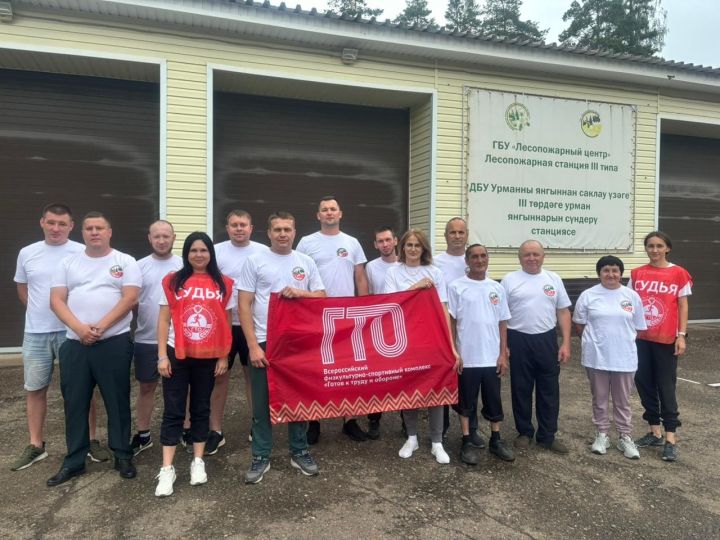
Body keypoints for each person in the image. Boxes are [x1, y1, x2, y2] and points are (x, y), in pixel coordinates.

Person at [12, 203, 111, 471]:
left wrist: (73, 321)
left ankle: (90, 440)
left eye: (62, 224)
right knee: (35, 389)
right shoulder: (27, 253)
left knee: (83, 390)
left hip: (73, 332)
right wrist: (39, 313)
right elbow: (24, 289)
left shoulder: (81, 251)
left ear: (71, 226)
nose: (56, 228)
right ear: (42, 222)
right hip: (36, 333)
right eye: (51, 222)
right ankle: (36, 445)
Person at [47, 212, 141, 486]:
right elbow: (57, 300)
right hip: (75, 344)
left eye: (100, 228)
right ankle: (75, 460)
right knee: (75, 402)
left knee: (117, 401)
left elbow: (130, 298)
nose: (94, 232)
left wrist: (99, 327)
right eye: (89, 228)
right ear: (82, 232)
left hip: (113, 342)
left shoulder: (125, 261)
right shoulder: (68, 262)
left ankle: (122, 454)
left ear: (109, 231)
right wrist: (80, 329)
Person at [238, 212, 326, 484]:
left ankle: (299, 450)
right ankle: (261, 454)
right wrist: (253, 346)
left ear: (295, 231)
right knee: (263, 402)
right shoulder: (255, 261)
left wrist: (301, 292)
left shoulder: (305, 262)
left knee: (297, 398)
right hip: (266, 340)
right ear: (268, 232)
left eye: (287, 229)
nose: (283, 234)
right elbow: (244, 305)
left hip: (297, 341)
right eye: (277, 229)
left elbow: (322, 296)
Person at [154, 232, 234, 497]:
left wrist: (224, 355)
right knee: (174, 410)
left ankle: (197, 461)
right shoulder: (173, 281)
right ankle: (167, 469)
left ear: (211, 253)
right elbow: (164, 320)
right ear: (186, 254)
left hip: (209, 355)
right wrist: (162, 355)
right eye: (193, 250)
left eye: (203, 250)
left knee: (201, 408)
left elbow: (225, 322)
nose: (199, 255)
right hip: (177, 353)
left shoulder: (224, 283)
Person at [384, 229, 461, 464]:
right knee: (410, 388)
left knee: (435, 388)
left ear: (424, 248)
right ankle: (412, 437)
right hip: (405, 338)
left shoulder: (435, 272)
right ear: (402, 248)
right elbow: (389, 304)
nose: (413, 249)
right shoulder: (393, 271)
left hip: (431, 337)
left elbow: (443, 310)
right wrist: (416, 287)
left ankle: (437, 441)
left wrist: (452, 346)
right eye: (409, 245)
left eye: (417, 245)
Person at [297, 196, 369, 443]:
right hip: (316, 314)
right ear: (318, 215)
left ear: (341, 214)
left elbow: (360, 277)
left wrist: (364, 307)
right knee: (316, 369)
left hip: (347, 315)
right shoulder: (306, 243)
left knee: (348, 368)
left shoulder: (352, 242)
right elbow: (299, 276)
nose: (329, 213)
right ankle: (314, 420)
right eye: (324, 210)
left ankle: (349, 420)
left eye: (333, 209)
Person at [501, 239, 571, 454]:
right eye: (526, 255)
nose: (531, 258)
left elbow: (563, 311)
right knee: (521, 388)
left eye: (535, 254)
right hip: (518, 338)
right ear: (519, 258)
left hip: (546, 339)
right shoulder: (509, 280)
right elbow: (501, 317)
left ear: (543, 256)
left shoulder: (553, 279)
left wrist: (566, 342)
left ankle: (547, 435)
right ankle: (524, 432)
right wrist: (503, 346)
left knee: (549, 389)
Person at [573, 256, 646, 459]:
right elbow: (579, 324)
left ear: (621, 273)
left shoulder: (631, 296)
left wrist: (621, 341)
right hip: (597, 358)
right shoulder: (588, 295)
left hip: (624, 358)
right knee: (600, 398)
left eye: (615, 270)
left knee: (623, 400)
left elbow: (639, 328)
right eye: (606, 270)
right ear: (599, 273)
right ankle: (602, 434)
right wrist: (593, 342)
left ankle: (625, 437)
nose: (611, 274)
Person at [209, 210, 270, 454]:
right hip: (221, 325)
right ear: (227, 227)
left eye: (243, 225)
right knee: (219, 377)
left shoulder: (262, 251)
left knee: (252, 377)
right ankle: (215, 430)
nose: (239, 229)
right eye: (234, 225)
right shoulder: (216, 251)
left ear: (251, 227)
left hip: (252, 325)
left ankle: (256, 426)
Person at [448, 244, 515, 464]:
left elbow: (502, 322)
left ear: (488, 259)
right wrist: (454, 351)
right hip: (467, 356)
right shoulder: (457, 287)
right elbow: (452, 321)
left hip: (491, 356)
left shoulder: (497, 288)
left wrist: (503, 353)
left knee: (494, 400)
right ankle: (466, 441)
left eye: (483, 256)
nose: (479, 260)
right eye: (474, 257)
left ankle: (496, 440)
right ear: (467, 261)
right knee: (466, 403)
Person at [629, 231, 692, 462]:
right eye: (650, 246)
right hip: (641, 339)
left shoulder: (679, 273)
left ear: (668, 248)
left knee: (666, 386)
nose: (654, 250)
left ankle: (670, 437)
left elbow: (683, 306)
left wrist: (681, 335)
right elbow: (630, 304)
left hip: (666, 340)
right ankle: (654, 430)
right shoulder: (637, 274)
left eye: (659, 246)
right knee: (644, 384)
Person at [130, 220, 182, 456]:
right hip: (146, 339)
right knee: (147, 387)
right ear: (149, 238)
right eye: (157, 237)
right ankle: (143, 435)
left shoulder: (185, 265)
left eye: (166, 236)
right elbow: (131, 302)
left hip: (179, 340)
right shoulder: (137, 267)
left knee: (183, 389)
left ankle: (186, 430)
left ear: (173, 237)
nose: (162, 241)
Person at [434, 217, 481, 445]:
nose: (457, 236)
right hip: (444, 328)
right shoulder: (435, 263)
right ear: (445, 236)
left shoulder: (474, 260)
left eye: (461, 232)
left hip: (469, 330)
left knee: (469, 381)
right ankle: (440, 431)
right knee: (444, 378)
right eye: (452, 232)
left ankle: (471, 430)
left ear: (467, 235)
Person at [363, 226, 399, 439]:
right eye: (380, 241)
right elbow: (368, 296)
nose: (385, 244)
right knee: (376, 376)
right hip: (378, 326)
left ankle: (406, 419)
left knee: (404, 373)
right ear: (375, 245)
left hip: (401, 326)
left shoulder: (405, 264)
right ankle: (374, 418)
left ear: (395, 241)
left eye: (388, 240)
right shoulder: (371, 267)